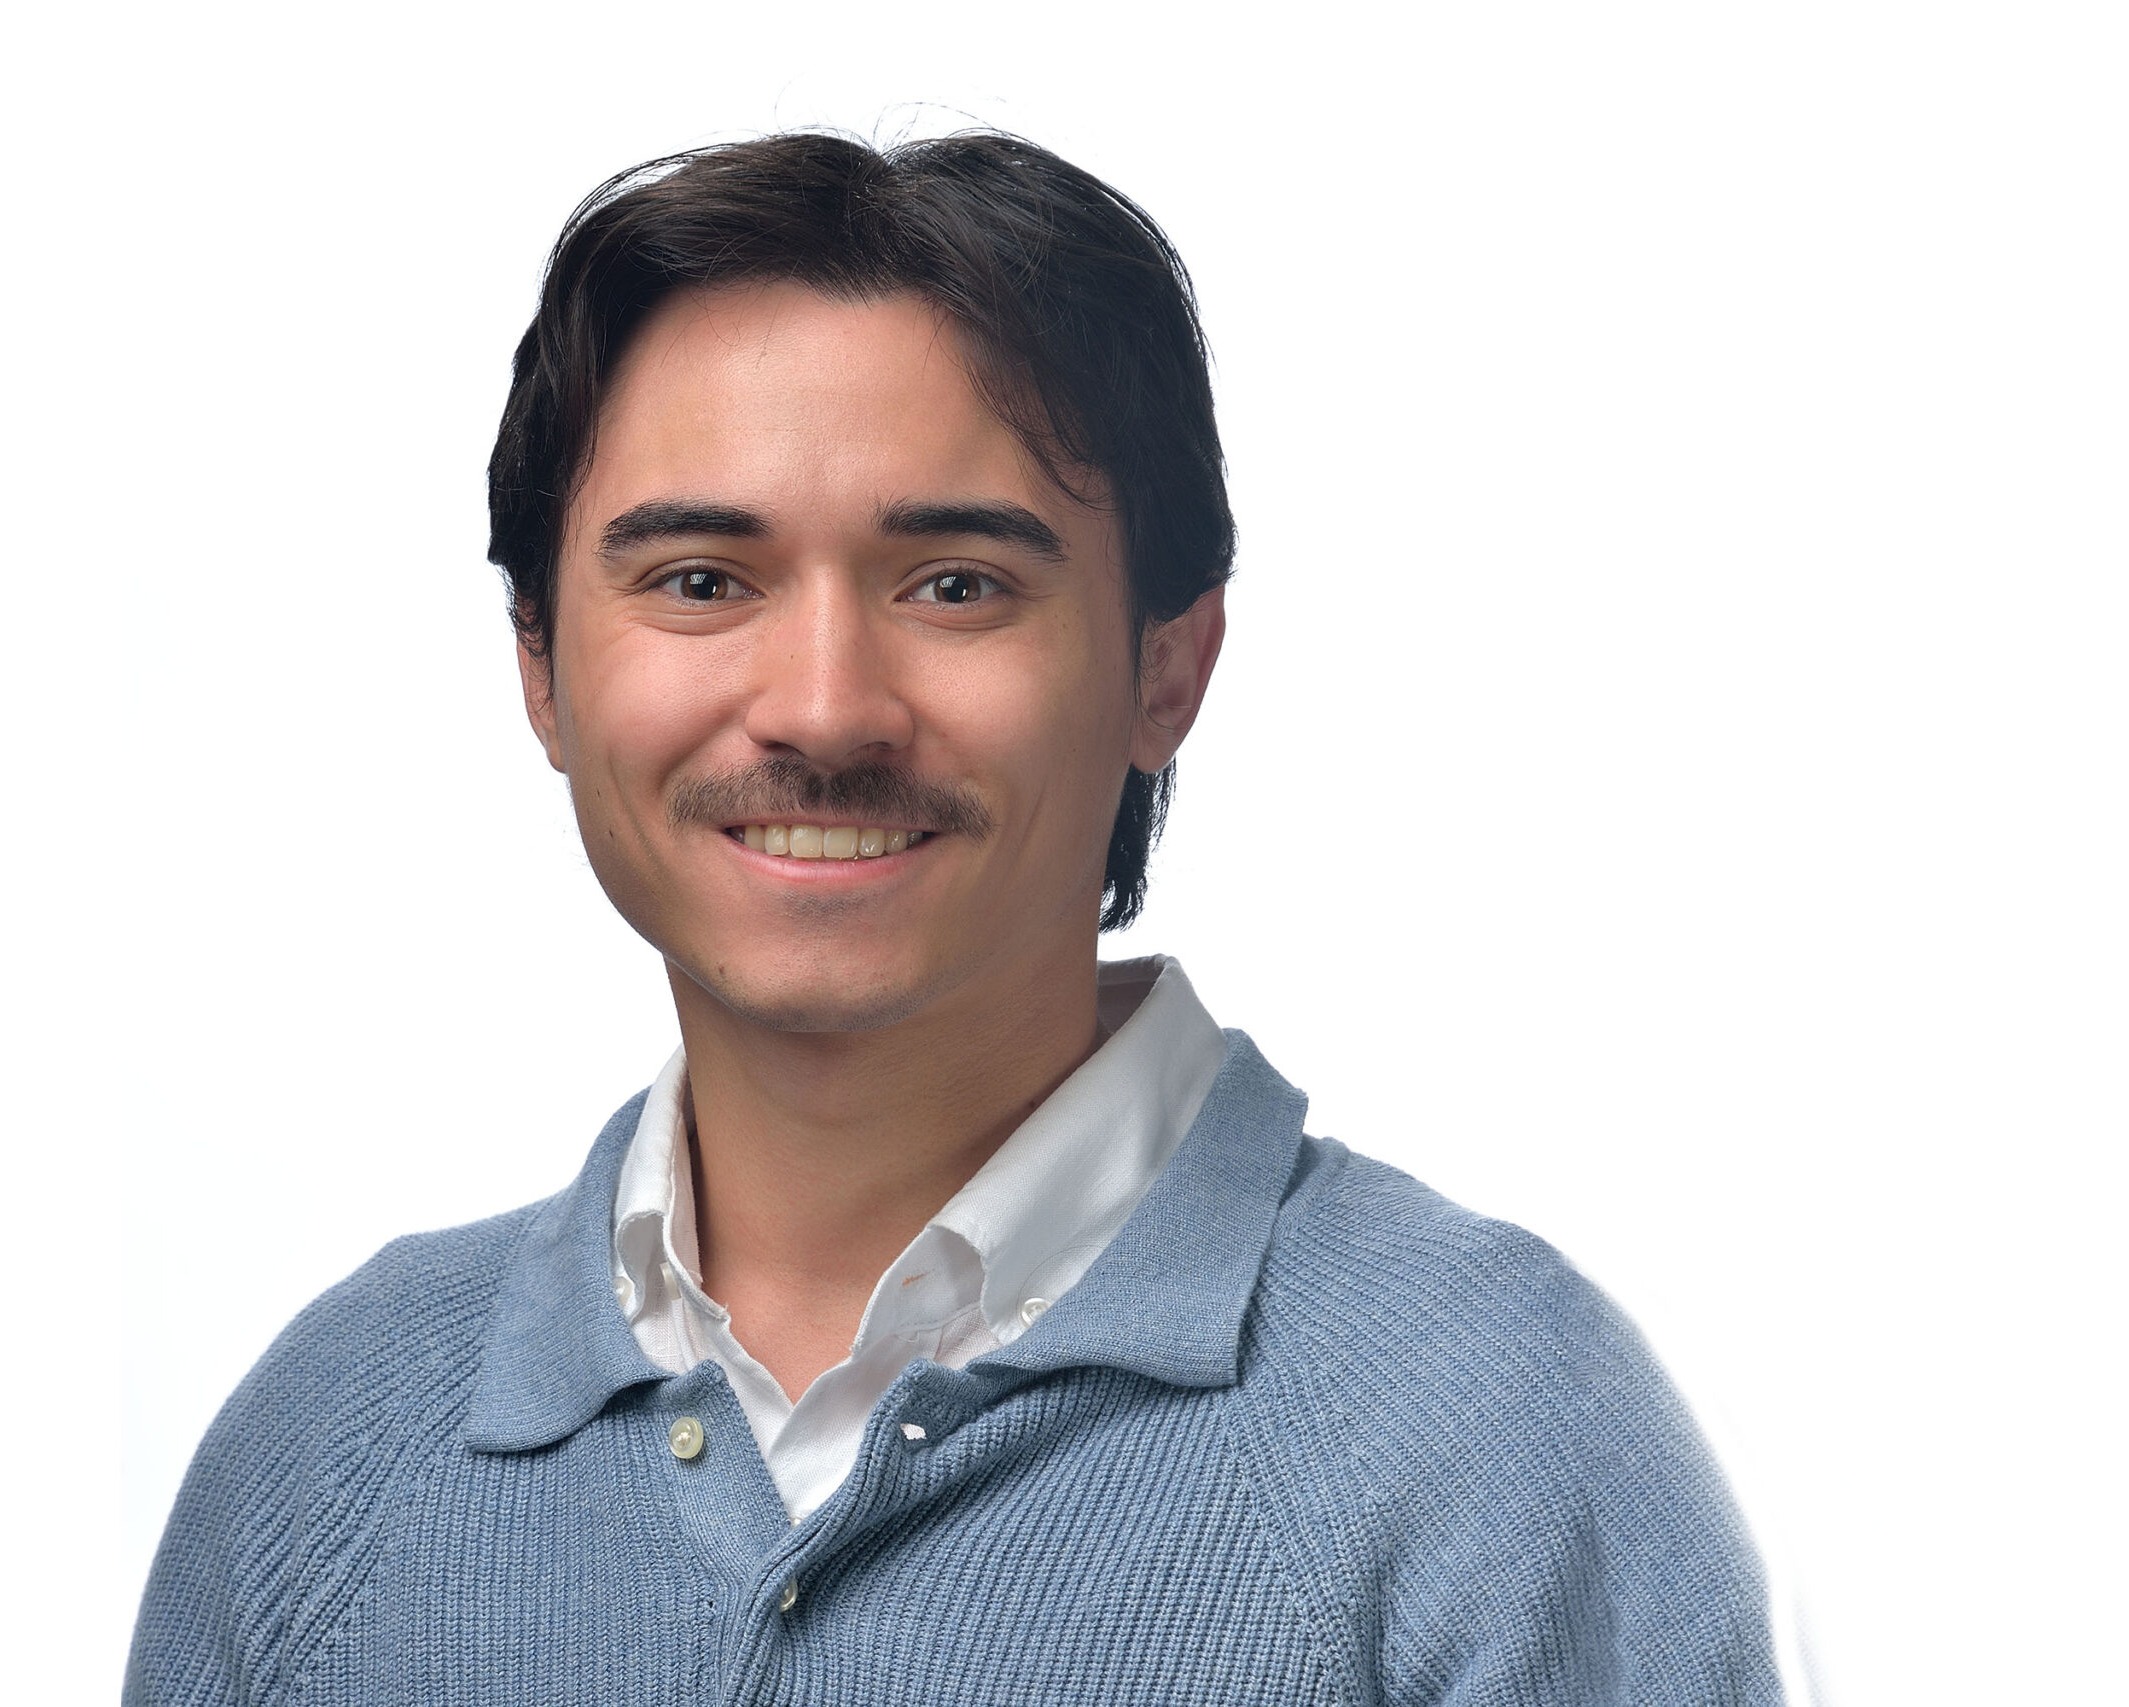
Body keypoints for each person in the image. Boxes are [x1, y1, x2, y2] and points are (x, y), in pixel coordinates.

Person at [126, 130, 1782, 1706]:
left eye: (956, 586)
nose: (823, 707)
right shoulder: (329, 1452)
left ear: (1166, 668)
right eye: (702, 581)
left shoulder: (1491, 1437)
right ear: (541, 670)